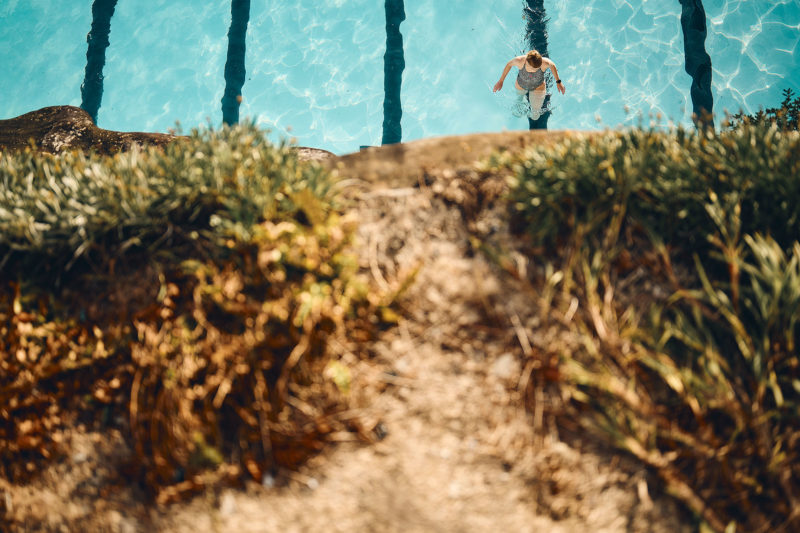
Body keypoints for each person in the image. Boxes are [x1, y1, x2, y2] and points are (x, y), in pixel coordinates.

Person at [493, 50, 565, 120]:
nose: (534, 70)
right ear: (526, 61)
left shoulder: (544, 62)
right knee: (518, 106)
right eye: (532, 68)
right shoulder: (520, 61)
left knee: (535, 115)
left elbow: (552, 65)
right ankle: (523, 99)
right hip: (521, 85)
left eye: (536, 68)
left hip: (538, 87)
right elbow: (509, 64)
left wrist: (558, 82)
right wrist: (501, 81)